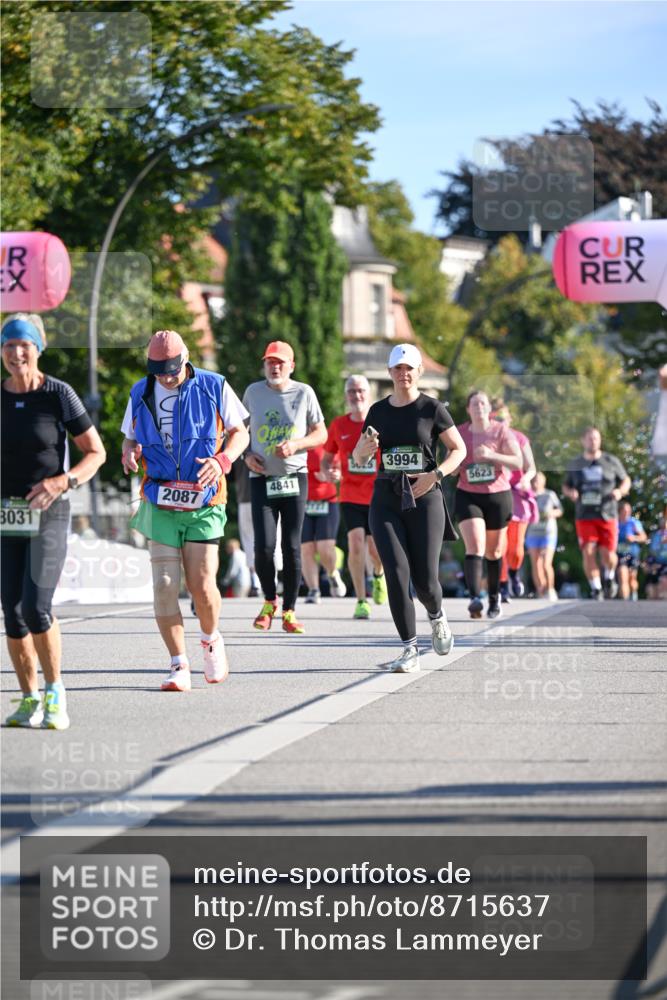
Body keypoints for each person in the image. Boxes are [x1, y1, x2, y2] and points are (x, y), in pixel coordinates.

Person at [121, 330, 249, 691]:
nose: (165, 377)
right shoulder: (141, 391)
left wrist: (223, 460)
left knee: (202, 585)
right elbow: (129, 435)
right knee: (164, 585)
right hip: (160, 498)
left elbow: (241, 433)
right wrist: (129, 449)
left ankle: (210, 639)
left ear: (186, 359)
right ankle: (178, 664)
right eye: (158, 371)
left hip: (204, 499)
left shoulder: (214, 385)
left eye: (172, 371)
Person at [1, 313, 106, 729]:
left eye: (23, 344)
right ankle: (28, 698)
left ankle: (55, 692)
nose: (16, 352)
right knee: (12, 610)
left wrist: (62, 481)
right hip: (7, 514)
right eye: (8, 345)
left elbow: (96, 453)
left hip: (49, 510)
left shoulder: (58, 394)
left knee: (36, 607)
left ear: (38, 348)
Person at [353, 344, 466, 672]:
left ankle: (437, 615)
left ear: (419, 372)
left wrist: (436, 475)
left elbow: (458, 450)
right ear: (390, 373)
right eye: (398, 369)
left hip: (424, 497)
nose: (403, 374)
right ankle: (409, 650)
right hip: (387, 497)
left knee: (425, 582)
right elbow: (360, 457)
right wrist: (361, 449)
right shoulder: (377, 412)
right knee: (396, 574)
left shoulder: (432, 409)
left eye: (409, 369)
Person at [243, 341, 327, 634]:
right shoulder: (253, 392)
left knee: (292, 547)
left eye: (280, 362)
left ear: (291, 366)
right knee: (264, 547)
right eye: (269, 362)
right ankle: (269, 602)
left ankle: (290, 611)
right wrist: (246, 455)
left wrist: (296, 444)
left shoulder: (304, 392)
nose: (274, 367)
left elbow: (321, 433)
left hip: (294, 478)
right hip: (262, 479)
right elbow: (239, 432)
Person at [320, 374, 387, 619]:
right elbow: (327, 458)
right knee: (356, 544)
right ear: (346, 395)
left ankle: (379, 575)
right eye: (351, 391)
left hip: (378, 495)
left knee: (376, 550)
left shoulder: (381, 421)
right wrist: (330, 471)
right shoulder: (339, 425)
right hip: (349, 495)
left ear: (368, 394)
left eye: (360, 391)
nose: (356, 396)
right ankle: (361, 599)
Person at [455, 390, 524, 620]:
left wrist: (492, 456)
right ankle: (475, 598)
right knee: (474, 545)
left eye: (483, 403)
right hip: (468, 494)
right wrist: (454, 466)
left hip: (497, 495)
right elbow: (451, 457)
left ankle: (494, 597)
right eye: (474, 404)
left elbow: (517, 462)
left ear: (489, 408)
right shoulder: (460, 432)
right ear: (468, 409)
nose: (479, 407)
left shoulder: (501, 431)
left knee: (494, 551)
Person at [563, 427, 631, 600]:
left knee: (608, 554)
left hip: (607, 513)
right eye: (590, 438)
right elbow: (566, 485)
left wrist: (620, 492)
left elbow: (626, 480)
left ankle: (608, 576)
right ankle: (596, 588)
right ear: (583, 441)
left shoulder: (610, 460)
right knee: (588, 551)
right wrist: (571, 493)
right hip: (584, 515)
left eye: (596, 438)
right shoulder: (575, 463)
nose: (593, 441)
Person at [491, 399, 537, 601]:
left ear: (510, 419)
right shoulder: (487, 439)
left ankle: (514, 573)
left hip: (517, 496)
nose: (500, 422)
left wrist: (526, 479)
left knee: (516, 547)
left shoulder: (519, 438)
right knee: (498, 545)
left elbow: (531, 467)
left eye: (503, 418)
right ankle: (502, 586)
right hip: (495, 495)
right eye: (495, 418)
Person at [301, 444, 347, 604]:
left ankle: (333, 573)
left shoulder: (328, 447)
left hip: (327, 502)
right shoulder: (294, 445)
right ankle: (313, 590)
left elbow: (340, 470)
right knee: (306, 549)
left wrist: (334, 474)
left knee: (325, 548)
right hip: (303, 503)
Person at [525, 471, 562, 600]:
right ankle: (541, 590)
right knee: (536, 564)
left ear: (543, 481)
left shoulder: (549, 494)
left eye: (538, 479)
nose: (536, 482)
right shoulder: (527, 495)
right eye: (534, 479)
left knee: (546, 562)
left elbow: (560, 510)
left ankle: (550, 589)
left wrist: (552, 513)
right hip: (532, 533)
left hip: (548, 533)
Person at [615, 501, 647, 601]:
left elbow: (644, 537)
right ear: (620, 511)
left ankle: (634, 593)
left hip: (633, 554)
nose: (627, 512)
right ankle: (625, 600)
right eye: (625, 510)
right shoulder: (615, 523)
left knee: (632, 579)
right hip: (620, 554)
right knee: (622, 575)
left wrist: (633, 538)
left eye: (629, 510)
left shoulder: (633, 523)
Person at [644, 506, 667, 600]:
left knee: (663, 582)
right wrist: (649, 564)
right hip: (657, 564)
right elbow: (652, 552)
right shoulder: (655, 536)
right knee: (651, 590)